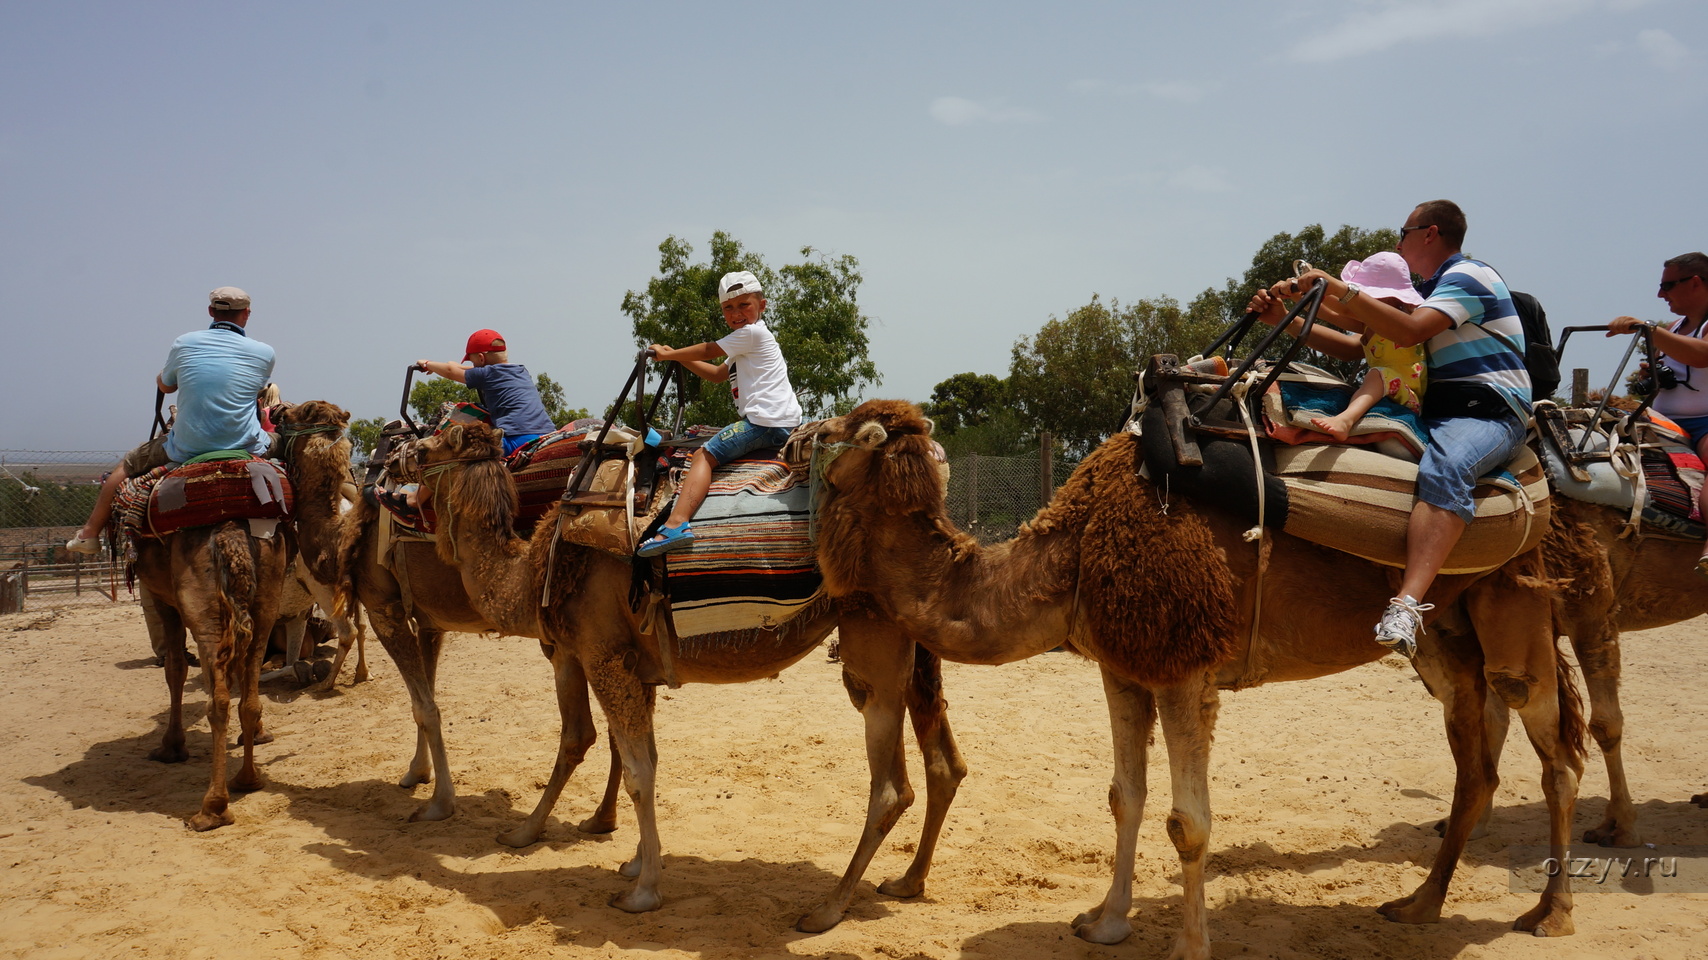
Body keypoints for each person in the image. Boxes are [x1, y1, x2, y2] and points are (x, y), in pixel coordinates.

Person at [1250, 200, 1531, 657]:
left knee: (1447, 468)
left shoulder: (1469, 277)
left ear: (1430, 233)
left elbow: (1409, 331)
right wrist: (1285, 316)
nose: (1397, 242)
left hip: (1486, 410)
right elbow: (1356, 344)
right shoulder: (1428, 289)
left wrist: (1333, 286)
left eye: (1403, 231)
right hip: (1433, 410)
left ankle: (1407, 603)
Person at [65, 287, 276, 554]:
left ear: (211, 312)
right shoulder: (265, 352)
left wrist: (161, 378)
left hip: (187, 446)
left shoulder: (184, 343)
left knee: (127, 465)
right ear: (247, 314)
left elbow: (166, 387)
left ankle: (89, 534)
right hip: (246, 444)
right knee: (293, 447)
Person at [636, 270, 802, 556]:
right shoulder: (745, 342)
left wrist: (667, 354)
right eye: (729, 307)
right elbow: (716, 374)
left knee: (703, 455)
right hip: (781, 422)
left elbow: (708, 349)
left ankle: (676, 524)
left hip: (763, 423)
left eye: (744, 305)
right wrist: (675, 355)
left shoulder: (752, 333)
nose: (737, 313)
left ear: (762, 306)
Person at [1606, 252, 1708, 573]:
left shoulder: (1672, 329)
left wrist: (1647, 329)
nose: (1660, 294)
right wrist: (1651, 374)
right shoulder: (1676, 326)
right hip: (1662, 421)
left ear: (1695, 282)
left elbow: (1702, 355)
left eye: (1667, 285)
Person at [1279, 252, 1428, 442]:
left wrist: (1327, 286)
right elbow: (1333, 314)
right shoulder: (1370, 324)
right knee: (1376, 375)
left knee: (1376, 374)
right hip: (1386, 386)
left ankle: (1345, 421)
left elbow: (1344, 308)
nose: (1361, 299)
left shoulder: (1396, 319)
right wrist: (1301, 295)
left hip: (1406, 392)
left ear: (1392, 299)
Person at [415, 329, 556, 456]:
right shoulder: (519, 370)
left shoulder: (487, 374)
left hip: (516, 438)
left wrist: (427, 363)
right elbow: (457, 368)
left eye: (473, 361)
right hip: (547, 434)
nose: (473, 365)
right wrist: (446, 366)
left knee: (458, 458)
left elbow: (451, 372)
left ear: (482, 358)